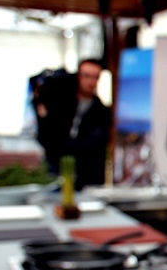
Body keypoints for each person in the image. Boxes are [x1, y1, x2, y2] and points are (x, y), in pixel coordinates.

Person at [34, 59, 111, 188]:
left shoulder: (101, 112)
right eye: (86, 76)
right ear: (78, 76)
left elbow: (94, 143)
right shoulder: (61, 103)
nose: (90, 82)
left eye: (95, 77)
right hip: (55, 169)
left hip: (87, 177)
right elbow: (47, 134)